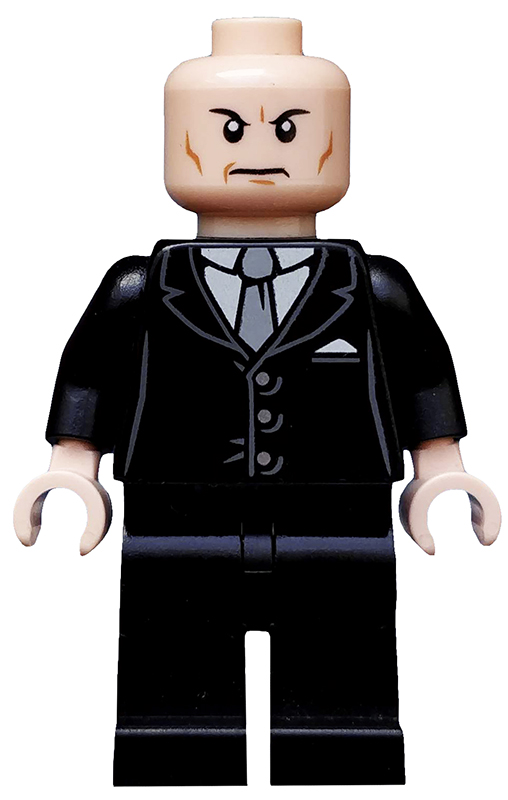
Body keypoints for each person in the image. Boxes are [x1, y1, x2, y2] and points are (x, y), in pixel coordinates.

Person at [14, 17, 501, 787]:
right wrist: (73, 468)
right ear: (178, 140)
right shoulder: (140, 286)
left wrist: (440, 470)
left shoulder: (373, 287)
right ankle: (176, 748)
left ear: (336, 141)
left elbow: (422, 377)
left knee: (342, 659)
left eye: (290, 129)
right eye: (231, 128)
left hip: (338, 511)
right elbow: (90, 375)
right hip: (175, 511)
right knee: (173, 662)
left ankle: (340, 749)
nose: (260, 149)